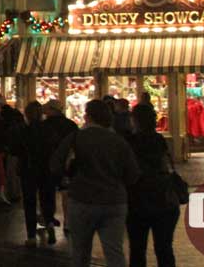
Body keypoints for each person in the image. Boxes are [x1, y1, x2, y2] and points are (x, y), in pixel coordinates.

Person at [50, 99, 140, 267]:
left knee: (81, 252)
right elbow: (133, 174)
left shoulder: (76, 138)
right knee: (114, 252)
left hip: (82, 199)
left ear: (88, 116)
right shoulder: (118, 141)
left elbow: (55, 164)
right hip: (114, 201)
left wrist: (68, 177)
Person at [126, 103, 180, 267]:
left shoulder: (131, 141)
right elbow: (168, 166)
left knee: (137, 249)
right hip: (164, 200)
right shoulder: (159, 140)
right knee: (164, 248)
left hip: (138, 200)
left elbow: (129, 171)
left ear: (135, 120)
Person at [39, 99, 78, 242]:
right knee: (66, 193)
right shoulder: (71, 125)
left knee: (47, 192)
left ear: (51, 110)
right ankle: (68, 221)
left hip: (47, 165)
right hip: (66, 165)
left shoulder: (43, 126)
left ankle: (48, 219)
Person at [15, 101, 46, 246]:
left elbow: (16, 149)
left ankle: (31, 235)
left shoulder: (22, 130)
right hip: (45, 169)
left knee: (29, 202)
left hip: (28, 168)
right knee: (46, 197)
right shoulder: (47, 129)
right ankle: (48, 224)